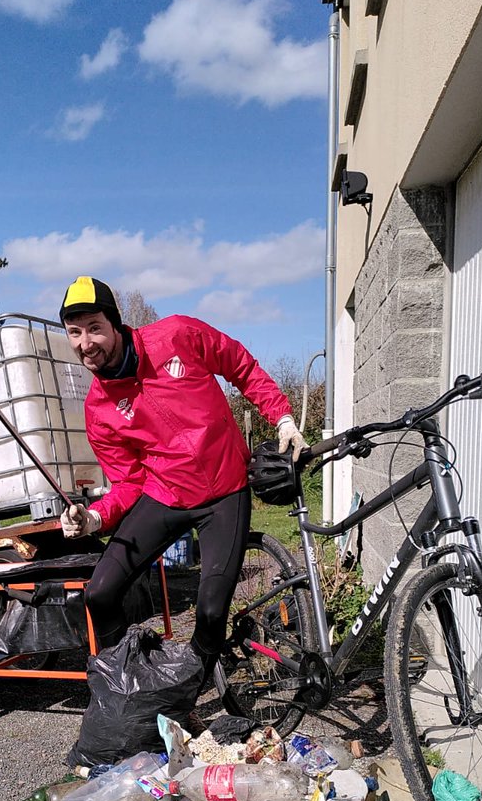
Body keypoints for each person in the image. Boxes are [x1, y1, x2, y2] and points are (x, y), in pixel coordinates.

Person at [58, 275, 305, 674]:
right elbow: (127, 483)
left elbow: (239, 365)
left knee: (209, 613)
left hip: (225, 490)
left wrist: (282, 417)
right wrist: (94, 518)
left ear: (115, 324)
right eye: (74, 332)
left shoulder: (177, 335)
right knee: (99, 593)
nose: (85, 343)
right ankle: (129, 687)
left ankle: (190, 686)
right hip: (166, 495)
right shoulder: (98, 409)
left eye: (94, 328)